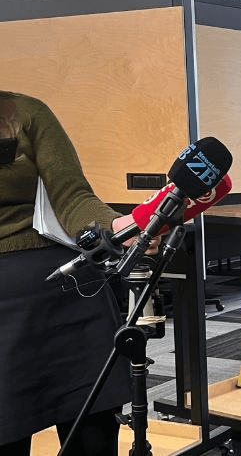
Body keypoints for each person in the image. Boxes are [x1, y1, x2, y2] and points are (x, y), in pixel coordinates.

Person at [0, 91, 138, 456]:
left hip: (71, 290)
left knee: (94, 437)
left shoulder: (27, 112)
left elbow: (72, 196)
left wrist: (117, 226)